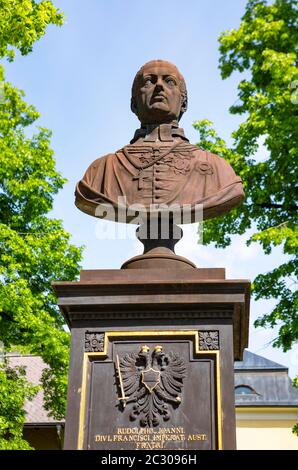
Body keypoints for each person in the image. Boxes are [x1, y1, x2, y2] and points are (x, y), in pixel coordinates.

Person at [75, 60, 244, 223]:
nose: (159, 86)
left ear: (184, 103)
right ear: (133, 103)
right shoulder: (103, 171)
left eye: (170, 81)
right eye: (149, 81)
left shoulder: (217, 170)